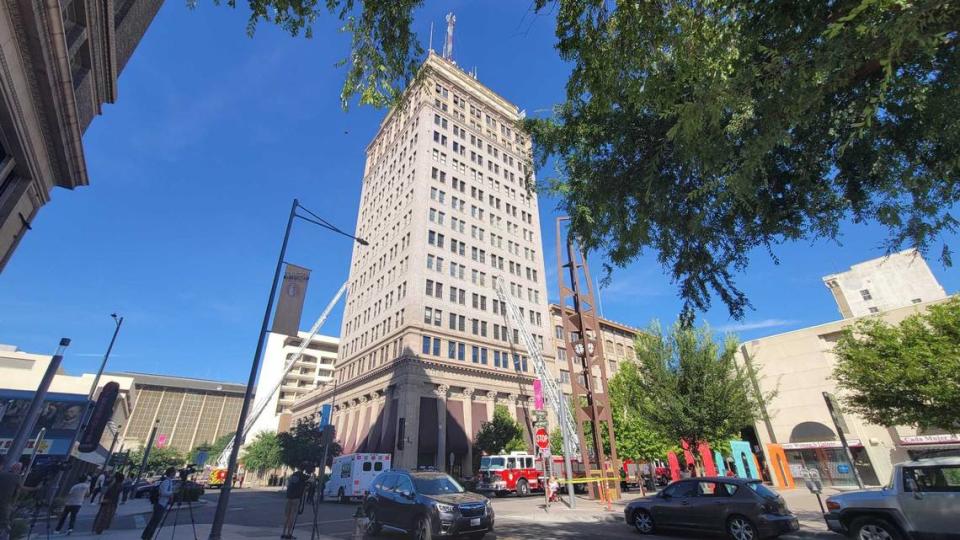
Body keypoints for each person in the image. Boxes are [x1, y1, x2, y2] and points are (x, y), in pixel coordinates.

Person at [140, 468, 175, 540]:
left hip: (163, 504)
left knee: (155, 522)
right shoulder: (166, 482)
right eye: (174, 473)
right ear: (171, 473)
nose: (175, 474)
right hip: (160, 504)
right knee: (154, 522)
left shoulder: (169, 481)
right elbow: (163, 492)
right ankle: (146, 537)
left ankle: (148, 536)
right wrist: (171, 493)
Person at [281, 465, 307, 540]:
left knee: (287, 516)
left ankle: (283, 533)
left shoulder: (293, 475)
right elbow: (310, 481)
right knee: (292, 516)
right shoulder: (302, 476)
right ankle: (289, 533)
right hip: (296, 498)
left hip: (289, 497)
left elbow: (289, 484)